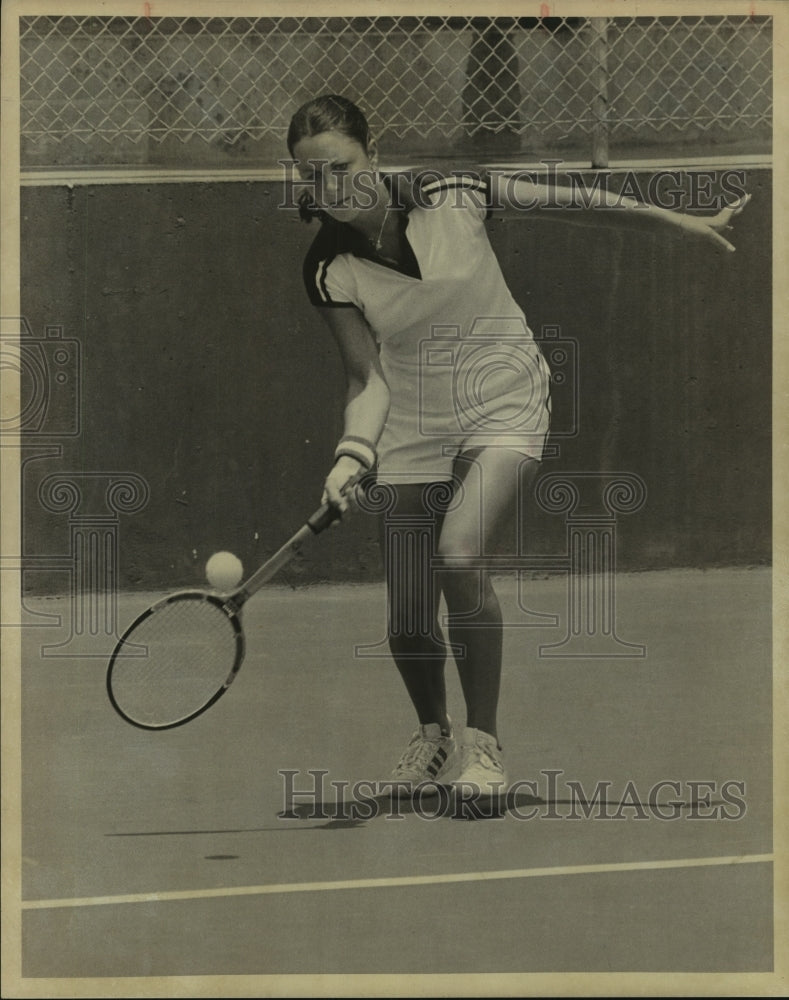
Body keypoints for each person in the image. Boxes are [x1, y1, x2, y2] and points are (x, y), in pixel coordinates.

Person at [286, 94, 748, 802]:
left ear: (373, 156)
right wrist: (352, 454)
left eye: (341, 167)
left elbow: (575, 199)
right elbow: (365, 376)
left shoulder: (453, 193)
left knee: (458, 557)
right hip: (410, 416)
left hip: (501, 397)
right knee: (408, 612)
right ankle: (433, 734)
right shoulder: (328, 268)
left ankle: (483, 745)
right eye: (310, 177)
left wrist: (673, 218)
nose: (329, 188)